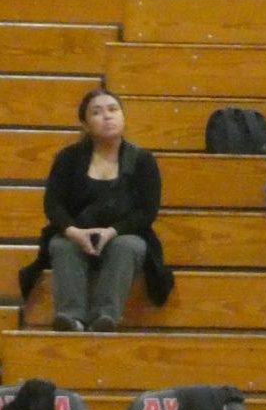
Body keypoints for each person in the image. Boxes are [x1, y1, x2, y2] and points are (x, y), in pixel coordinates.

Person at [21, 87, 170, 333]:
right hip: (77, 232)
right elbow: (53, 203)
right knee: (61, 245)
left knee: (127, 246)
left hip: (124, 234)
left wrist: (112, 231)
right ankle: (71, 318)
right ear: (86, 124)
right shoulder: (68, 158)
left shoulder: (143, 160)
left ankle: (105, 317)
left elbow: (146, 211)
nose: (107, 116)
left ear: (123, 116)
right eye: (97, 112)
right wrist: (73, 231)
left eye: (113, 110)